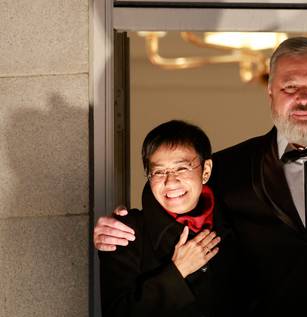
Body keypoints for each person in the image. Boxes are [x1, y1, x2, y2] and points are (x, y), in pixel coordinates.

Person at [95, 0, 307, 316]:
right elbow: (177, 192)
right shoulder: (232, 168)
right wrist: (125, 227)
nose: (304, 98)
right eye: (290, 88)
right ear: (271, 94)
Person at [98, 120, 236, 317]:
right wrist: (177, 271)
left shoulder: (235, 221)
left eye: (181, 168)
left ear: (205, 171)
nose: (170, 181)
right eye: (159, 172)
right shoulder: (125, 231)